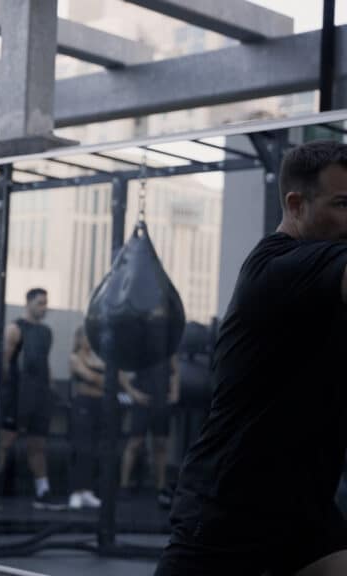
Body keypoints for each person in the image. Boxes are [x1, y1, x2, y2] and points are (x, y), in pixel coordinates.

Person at [155, 140, 347, 576]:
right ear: (296, 204)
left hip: (303, 505)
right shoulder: (283, 266)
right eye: (342, 204)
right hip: (231, 506)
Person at [0, 288, 66, 510]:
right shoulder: (15, 329)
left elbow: (44, 363)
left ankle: (42, 492)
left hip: (40, 397)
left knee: (38, 444)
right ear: (28, 303)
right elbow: (6, 365)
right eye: (40, 303)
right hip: (17, 396)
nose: (44, 308)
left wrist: (50, 388)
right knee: (5, 443)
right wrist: (12, 395)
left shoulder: (46, 332)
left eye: (46, 303)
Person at [119, 354, 179, 508]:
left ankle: (160, 488)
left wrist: (174, 392)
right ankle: (123, 486)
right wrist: (132, 392)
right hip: (142, 401)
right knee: (134, 443)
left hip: (161, 402)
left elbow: (175, 371)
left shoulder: (168, 346)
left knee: (160, 444)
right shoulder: (139, 347)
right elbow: (120, 371)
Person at [67, 324, 105, 510]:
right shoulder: (75, 358)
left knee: (93, 449)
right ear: (81, 338)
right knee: (81, 448)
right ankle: (75, 492)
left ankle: (87, 491)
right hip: (82, 404)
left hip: (99, 405)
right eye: (88, 337)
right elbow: (91, 377)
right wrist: (103, 379)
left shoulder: (96, 358)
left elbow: (115, 376)